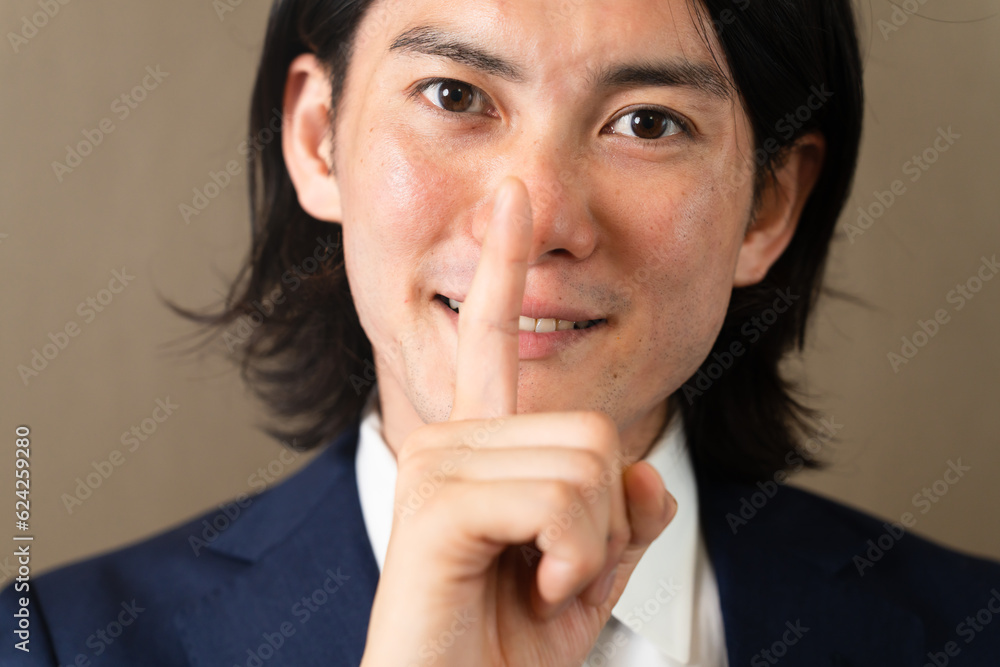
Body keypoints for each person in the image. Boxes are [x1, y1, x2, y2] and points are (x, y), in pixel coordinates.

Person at [4, 0, 999, 665]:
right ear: (316, 139)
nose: (538, 219)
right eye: (455, 96)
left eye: (648, 123)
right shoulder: (54, 644)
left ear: (767, 205)